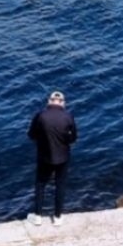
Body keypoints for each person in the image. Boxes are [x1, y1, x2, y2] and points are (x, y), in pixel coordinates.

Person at [27, 90, 77, 226]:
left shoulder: (40, 116)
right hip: (63, 158)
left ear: (49, 101)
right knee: (60, 185)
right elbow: (73, 138)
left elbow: (31, 135)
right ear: (63, 103)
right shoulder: (68, 117)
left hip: (44, 157)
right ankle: (58, 217)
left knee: (40, 184)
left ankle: (37, 216)